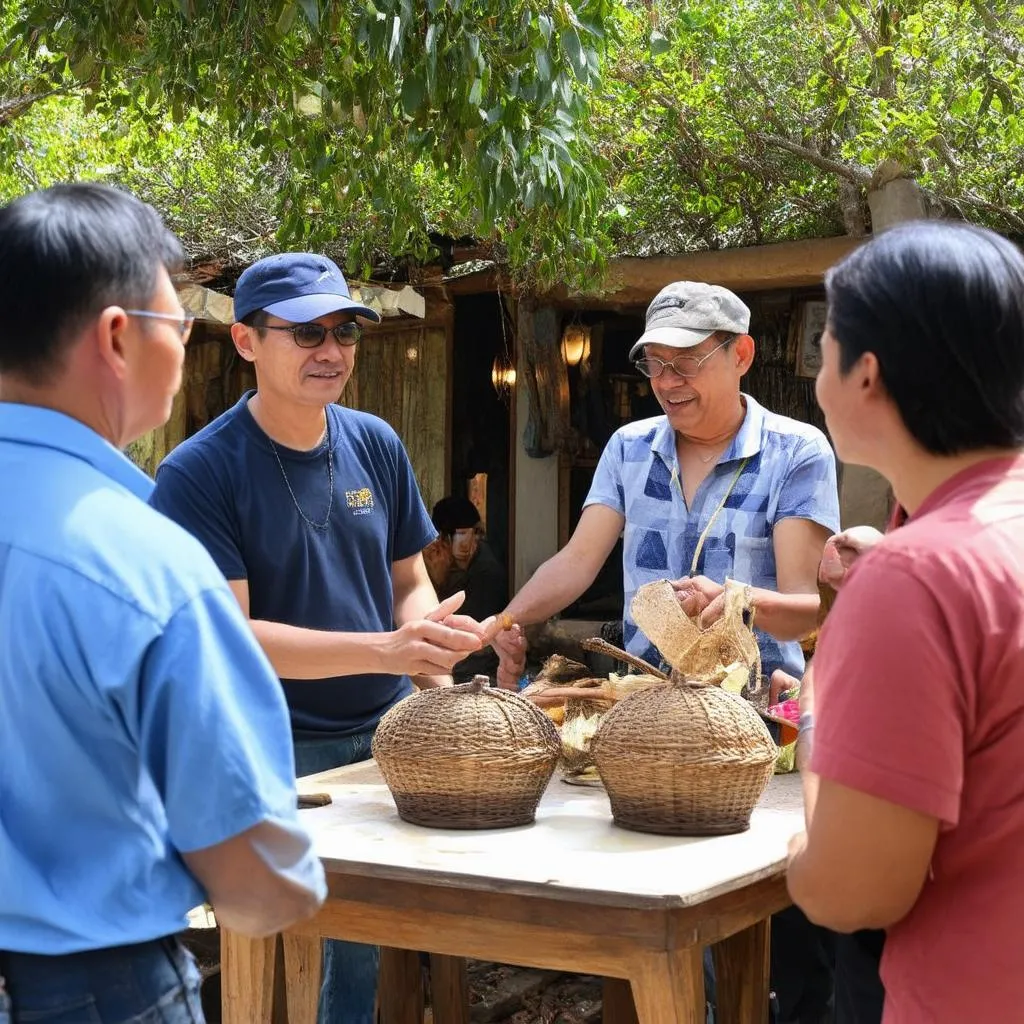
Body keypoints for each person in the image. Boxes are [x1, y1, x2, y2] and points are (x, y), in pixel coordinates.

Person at [0, 184, 325, 1024]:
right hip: (90, 987)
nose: (183, 350)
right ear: (117, 336)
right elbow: (253, 878)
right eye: (178, 325)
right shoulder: (143, 562)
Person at [149, 251, 487, 1024]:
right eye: (305, 334)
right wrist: (386, 651)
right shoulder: (198, 472)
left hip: (383, 736)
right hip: (268, 749)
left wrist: (432, 654)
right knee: (272, 958)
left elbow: (408, 582)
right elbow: (225, 636)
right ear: (245, 343)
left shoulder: (375, 441)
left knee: (368, 948)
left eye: (344, 332)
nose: (330, 352)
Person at [490, 281, 841, 1023]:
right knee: (660, 918)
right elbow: (578, 562)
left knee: (776, 935)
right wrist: (503, 621)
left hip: (759, 731)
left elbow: (814, 608)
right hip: (647, 719)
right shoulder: (628, 446)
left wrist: (738, 598)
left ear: (740, 355)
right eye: (655, 366)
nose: (668, 385)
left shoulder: (794, 453)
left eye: (686, 364)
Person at [786, 220, 1024, 1023]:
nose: (818, 379)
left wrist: (814, 715)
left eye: (824, 352)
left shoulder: (917, 574)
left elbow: (850, 891)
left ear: (867, 376)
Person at [425, 496, 508, 681]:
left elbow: (460, 631)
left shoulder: (486, 572)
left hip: (478, 664)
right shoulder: (458, 563)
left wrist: (439, 580)